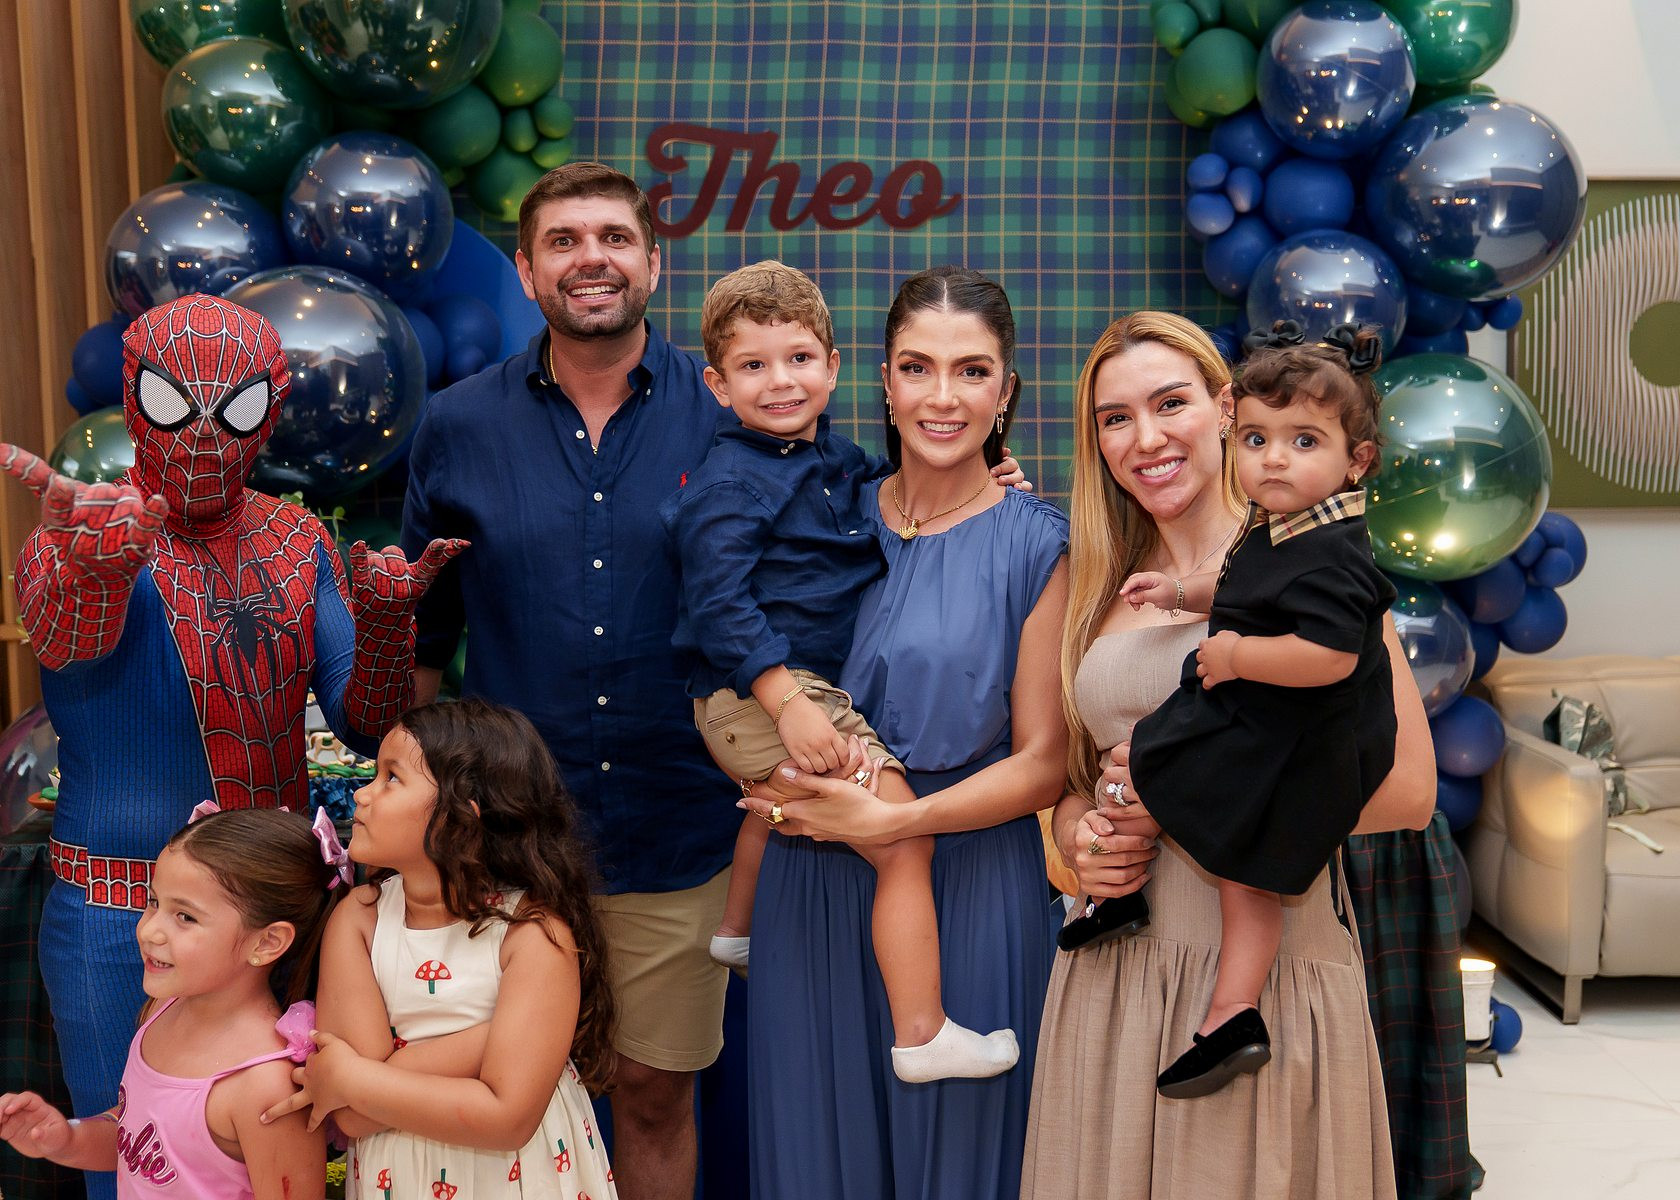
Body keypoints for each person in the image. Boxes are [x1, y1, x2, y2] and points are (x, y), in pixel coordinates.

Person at [1, 293, 456, 1200]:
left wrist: (386, 628)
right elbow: (67, 639)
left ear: (271, 407)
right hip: (124, 912)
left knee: (290, 1149)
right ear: (134, 396)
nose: (205, 433)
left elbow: (364, 724)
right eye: (174, 402)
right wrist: (91, 572)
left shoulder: (294, 538)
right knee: (129, 1158)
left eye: (235, 407)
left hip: (277, 917)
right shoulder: (87, 529)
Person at [1019, 311, 1435, 1199]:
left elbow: (1408, 790)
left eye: (1170, 403)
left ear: (1223, 408)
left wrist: (1184, 797)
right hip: (1111, 971)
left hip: (1259, 967)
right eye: (1115, 417)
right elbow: (1067, 784)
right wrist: (1080, 842)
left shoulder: (1312, 569)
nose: (1145, 438)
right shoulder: (1088, 582)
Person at [738, 267, 1069, 1199]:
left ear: (1006, 391)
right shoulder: (815, 515)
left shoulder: (1039, 543)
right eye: (918, 368)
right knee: (817, 1163)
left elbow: (1044, 764)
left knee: (961, 1162)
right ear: (883, 382)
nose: (942, 397)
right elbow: (737, 666)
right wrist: (769, 779)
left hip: (970, 882)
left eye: (972, 372)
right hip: (809, 877)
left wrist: (895, 822)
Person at [665, 260, 1020, 1083]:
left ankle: (737, 930)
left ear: (832, 367)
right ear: (717, 385)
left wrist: (995, 475)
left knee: (774, 802)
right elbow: (719, 606)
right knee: (902, 837)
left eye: (798, 359)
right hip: (761, 692)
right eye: (752, 366)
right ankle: (922, 1033)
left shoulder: (837, 462)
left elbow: (895, 495)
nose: (780, 382)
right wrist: (786, 700)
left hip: (772, 697)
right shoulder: (728, 484)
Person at [280, 698, 617, 1199]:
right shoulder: (360, 918)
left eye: (391, 778)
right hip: (399, 1180)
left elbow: (507, 1119)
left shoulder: (532, 933)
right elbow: (350, 1113)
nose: (363, 794)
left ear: (461, 818)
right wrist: (493, 1042)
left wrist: (358, 1079)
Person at [0, 806, 341, 1198]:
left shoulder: (267, 1085)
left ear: (267, 943)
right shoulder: (162, 1010)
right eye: (154, 901)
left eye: (185, 917)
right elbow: (139, 1139)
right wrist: (65, 1139)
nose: (149, 930)